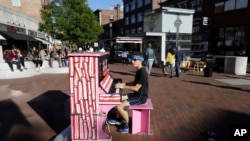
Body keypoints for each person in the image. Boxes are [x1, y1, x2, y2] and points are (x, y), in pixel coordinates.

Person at [107, 54, 148, 133]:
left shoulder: (143, 72)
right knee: (117, 99)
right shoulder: (139, 70)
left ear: (140, 61)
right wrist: (123, 84)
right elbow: (134, 83)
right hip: (137, 94)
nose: (132, 61)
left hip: (140, 97)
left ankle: (127, 125)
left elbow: (136, 88)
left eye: (134, 60)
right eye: (132, 60)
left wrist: (123, 87)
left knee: (119, 106)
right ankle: (118, 118)